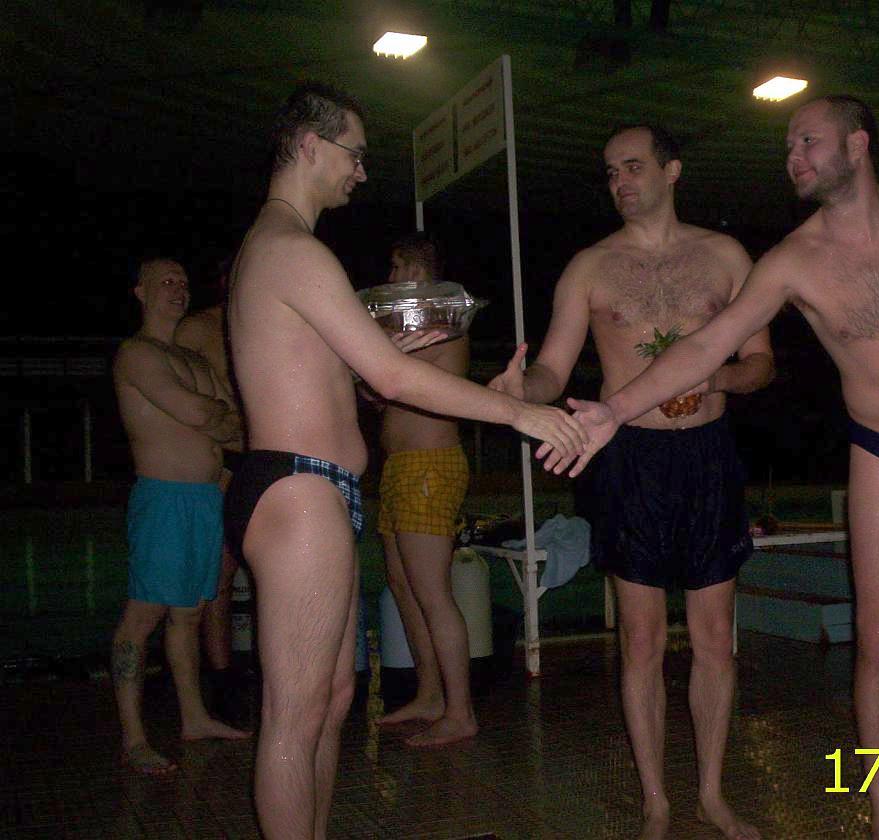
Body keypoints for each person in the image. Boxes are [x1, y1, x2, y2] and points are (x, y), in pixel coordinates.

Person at [552, 96, 879, 838]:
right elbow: (706, 347)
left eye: (807, 142)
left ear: (858, 145)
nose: (793, 158)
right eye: (788, 148)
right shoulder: (790, 262)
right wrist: (614, 411)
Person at [222, 82, 586, 839]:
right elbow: (391, 382)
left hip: (310, 485)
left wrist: (386, 355)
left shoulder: (279, 249)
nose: (361, 172)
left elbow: (351, 379)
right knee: (295, 713)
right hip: (297, 488)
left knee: (331, 700)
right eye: (353, 154)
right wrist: (519, 412)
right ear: (310, 145)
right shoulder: (292, 249)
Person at [489, 124, 773, 840]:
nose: (619, 182)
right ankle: (656, 803)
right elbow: (554, 368)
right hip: (631, 459)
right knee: (642, 641)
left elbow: (761, 362)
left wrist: (717, 378)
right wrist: (525, 390)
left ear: (672, 171)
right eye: (611, 171)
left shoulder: (726, 256)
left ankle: (711, 794)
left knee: (714, 638)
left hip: (707, 455)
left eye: (633, 167)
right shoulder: (590, 267)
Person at [111, 256, 252, 775]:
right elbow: (201, 413)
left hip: (206, 497)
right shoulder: (137, 354)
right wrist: (212, 415)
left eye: (183, 282)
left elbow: (234, 427)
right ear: (140, 291)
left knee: (189, 612)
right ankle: (133, 740)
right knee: (143, 615)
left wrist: (213, 416)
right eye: (166, 282)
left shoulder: (193, 360)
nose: (178, 289)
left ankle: (194, 718)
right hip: (165, 499)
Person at [372, 233, 478, 747]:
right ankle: (431, 694)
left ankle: (461, 712)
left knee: (433, 592)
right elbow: (381, 393)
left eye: (396, 268)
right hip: (399, 468)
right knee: (403, 584)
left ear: (415, 271)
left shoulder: (440, 323)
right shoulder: (405, 327)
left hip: (429, 467)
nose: (389, 278)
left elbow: (389, 376)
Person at [174, 259, 241, 718]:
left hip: (262, 456)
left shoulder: (262, 322)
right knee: (216, 575)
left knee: (267, 570)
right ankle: (221, 680)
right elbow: (179, 397)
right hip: (222, 459)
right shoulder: (199, 328)